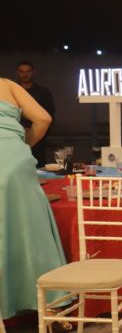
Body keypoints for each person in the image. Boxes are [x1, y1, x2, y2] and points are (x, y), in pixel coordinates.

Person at [0, 78, 67, 318]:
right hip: (16, 158)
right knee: (30, 227)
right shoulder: (6, 84)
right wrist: (24, 142)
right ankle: (48, 304)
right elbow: (43, 118)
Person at [16, 61, 55, 167]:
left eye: (28, 71)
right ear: (17, 73)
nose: (25, 74)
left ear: (33, 72)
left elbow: (50, 115)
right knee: (17, 167)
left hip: (38, 138)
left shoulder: (44, 93)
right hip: (15, 137)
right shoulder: (12, 92)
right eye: (22, 71)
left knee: (38, 167)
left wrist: (38, 133)